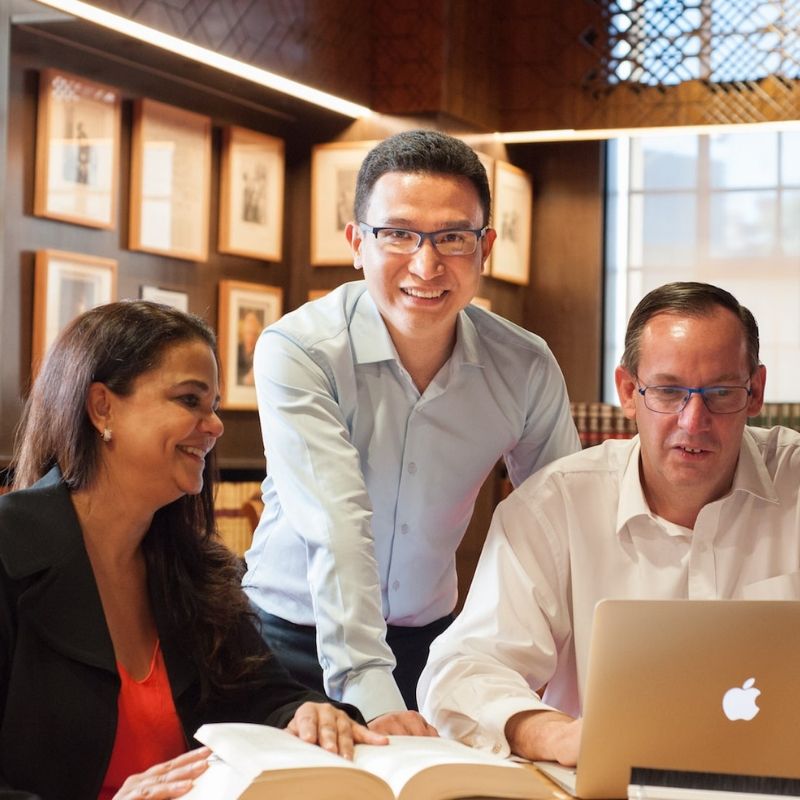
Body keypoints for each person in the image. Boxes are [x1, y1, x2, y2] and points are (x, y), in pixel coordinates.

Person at [242, 129, 580, 734]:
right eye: (398, 233)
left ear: (485, 248)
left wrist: (561, 678)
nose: (426, 265)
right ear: (356, 243)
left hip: (432, 643)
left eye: (452, 237)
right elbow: (337, 522)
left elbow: (559, 524)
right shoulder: (300, 350)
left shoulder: (524, 366)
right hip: (285, 640)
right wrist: (375, 696)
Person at [0, 301, 385, 800]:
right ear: (103, 407)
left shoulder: (194, 568)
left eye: (215, 406)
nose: (216, 426)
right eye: (189, 401)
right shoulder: (11, 550)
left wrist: (304, 712)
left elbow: (262, 693)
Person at [418, 281, 800, 766]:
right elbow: (463, 670)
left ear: (756, 392)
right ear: (627, 391)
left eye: (721, 393)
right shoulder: (557, 505)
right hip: (607, 784)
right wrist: (554, 736)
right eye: (668, 391)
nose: (693, 420)